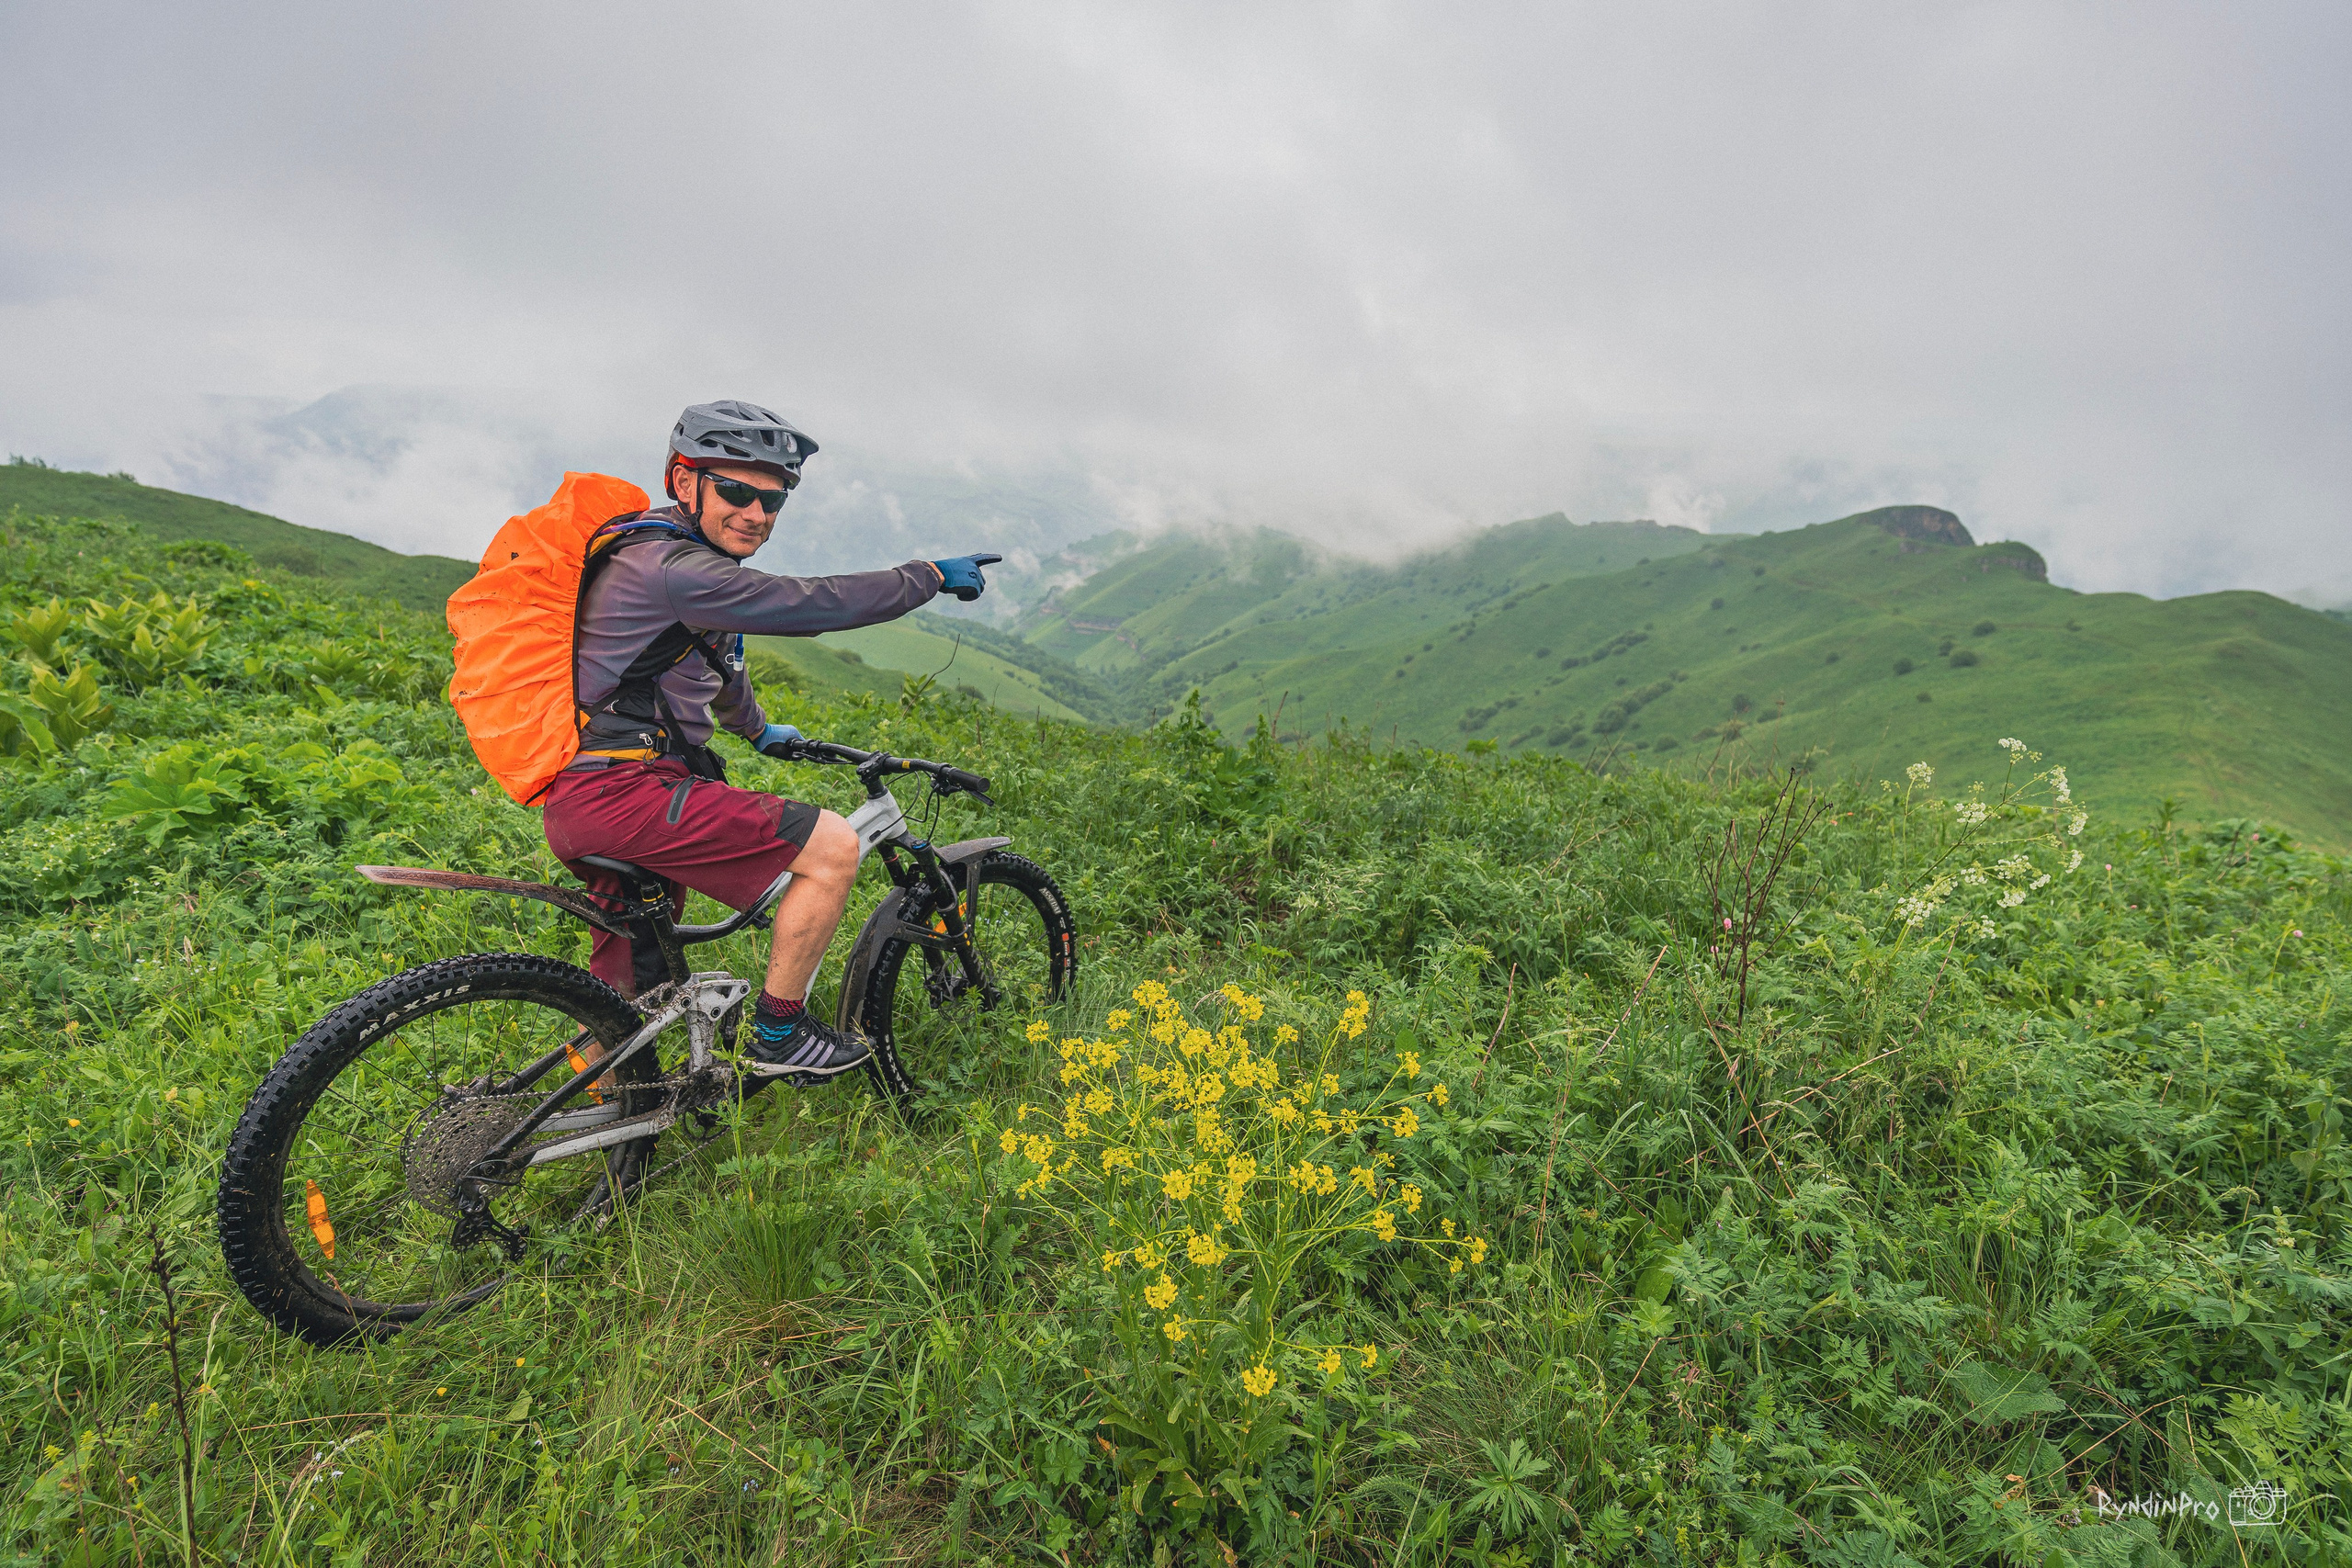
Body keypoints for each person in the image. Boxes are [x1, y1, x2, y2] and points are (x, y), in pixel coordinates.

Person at [539, 400, 1000, 1083]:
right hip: (626, 791)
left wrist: (758, 731)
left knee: (626, 992)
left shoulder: (678, 556)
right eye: (736, 490)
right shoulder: (677, 569)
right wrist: (925, 577)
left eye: (773, 498)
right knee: (835, 846)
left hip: (597, 793)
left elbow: (715, 665)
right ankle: (780, 1034)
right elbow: (805, 602)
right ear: (683, 480)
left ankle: (594, 1127)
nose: (756, 512)